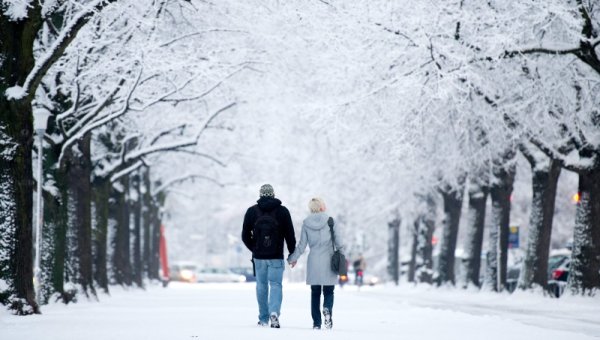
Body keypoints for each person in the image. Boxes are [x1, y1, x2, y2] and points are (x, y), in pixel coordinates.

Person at [241, 184, 296, 328]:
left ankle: (263, 318)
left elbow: (244, 235)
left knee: (261, 286)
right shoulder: (283, 211)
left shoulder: (252, 211)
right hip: (276, 256)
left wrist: (254, 248)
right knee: (276, 285)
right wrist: (292, 254)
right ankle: (274, 312)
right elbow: (290, 235)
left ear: (260, 195)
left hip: (259, 257)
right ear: (273, 194)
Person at [288, 197, 344, 330]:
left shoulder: (306, 223)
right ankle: (327, 309)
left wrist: (292, 258)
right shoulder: (330, 221)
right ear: (321, 207)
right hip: (329, 260)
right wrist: (343, 256)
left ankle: (317, 323)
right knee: (329, 291)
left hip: (313, 261)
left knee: (315, 293)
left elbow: (302, 245)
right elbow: (339, 242)